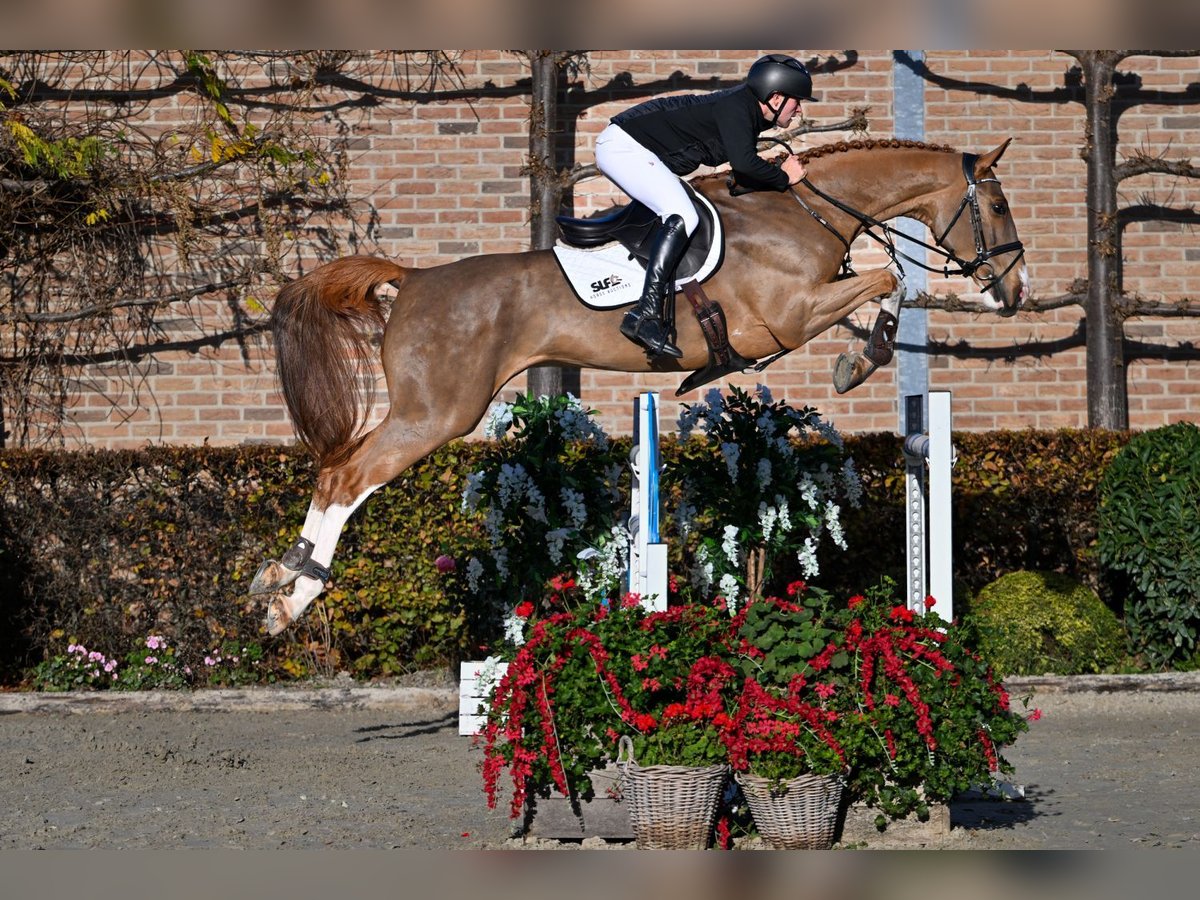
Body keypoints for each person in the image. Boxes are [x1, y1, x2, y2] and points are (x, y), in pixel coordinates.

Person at [594, 53, 816, 359]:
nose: (799, 109)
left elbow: (742, 172)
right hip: (624, 148)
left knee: (687, 208)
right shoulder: (738, 107)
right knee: (683, 213)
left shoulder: (745, 111)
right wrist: (783, 177)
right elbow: (744, 164)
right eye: (797, 101)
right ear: (776, 97)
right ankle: (644, 316)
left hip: (632, 148)